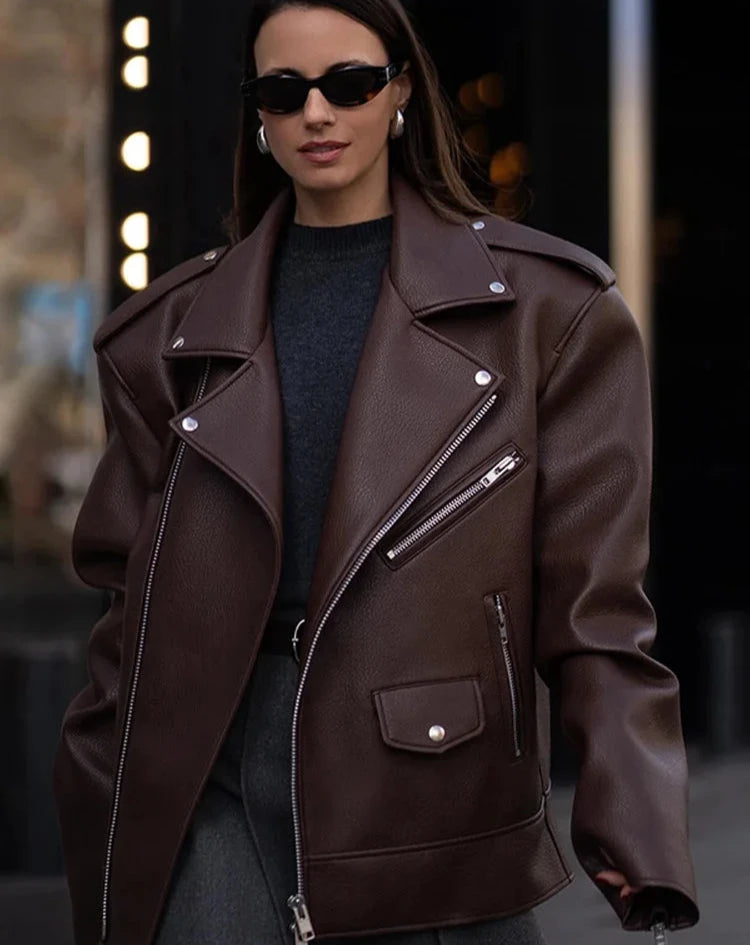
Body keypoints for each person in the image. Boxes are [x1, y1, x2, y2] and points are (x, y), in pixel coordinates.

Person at [52, 1, 700, 943]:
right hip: (208, 772)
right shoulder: (166, 334)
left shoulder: (548, 313)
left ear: (400, 91)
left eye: (349, 84)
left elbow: (597, 608)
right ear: (259, 116)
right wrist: (97, 796)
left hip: (430, 780)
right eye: (285, 91)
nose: (318, 112)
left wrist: (636, 826)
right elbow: (123, 602)